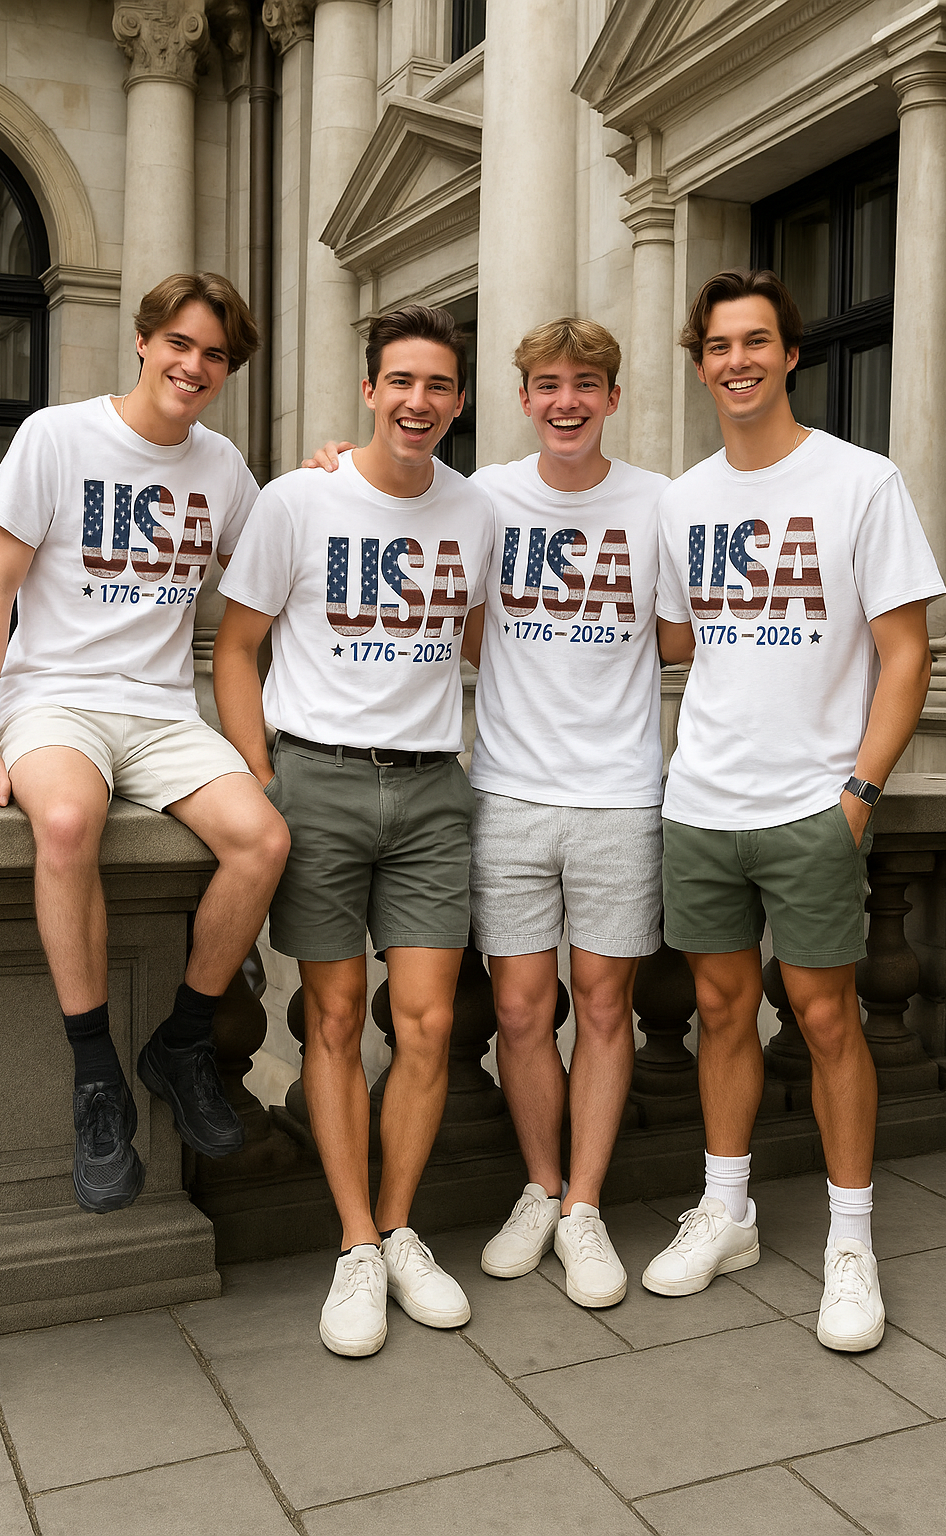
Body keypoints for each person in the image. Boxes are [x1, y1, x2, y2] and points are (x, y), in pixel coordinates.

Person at [305, 317, 670, 1309]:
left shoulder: (658, 505)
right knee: (517, 1009)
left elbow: (687, 635)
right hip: (504, 786)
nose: (565, 401)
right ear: (515, 399)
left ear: (611, 396)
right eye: (547, 383)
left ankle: (584, 1207)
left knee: (602, 1005)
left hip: (620, 791)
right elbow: (427, 580)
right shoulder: (483, 501)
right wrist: (334, 466)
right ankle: (539, 1189)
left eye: (584, 384)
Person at [643, 268, 945, 1352]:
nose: (736, 362)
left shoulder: (858, 482)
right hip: (703, 800)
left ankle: (850, 1241)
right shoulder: (680, 501)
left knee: (825, 1022)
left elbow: (906, 653)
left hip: (813, 805)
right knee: (722, 1014)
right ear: (700, 363)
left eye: (755, 341)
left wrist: (856, 796)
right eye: (718, 345)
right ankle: (726, 1210)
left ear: (789, 353)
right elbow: (680, 643)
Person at [0, 271, 291, 1217]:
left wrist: (337, 475)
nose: (194, 366)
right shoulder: (56, 437)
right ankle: (97, 1073)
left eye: (215, 355)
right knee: (65, 822)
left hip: (162, 709)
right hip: (54, 698)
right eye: (179, 344)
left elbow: (278, 560)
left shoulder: (222, 468)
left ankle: (180, 1042)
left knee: (262, 840)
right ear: (144, 342)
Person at [213, 304, 495, 1358]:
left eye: (439, 386)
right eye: (401, 383)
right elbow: (236, 648)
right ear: (369, 391)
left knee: (422, 1025)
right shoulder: (298, 502)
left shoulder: (476, 514)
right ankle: (354, 1247)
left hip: (429, 794)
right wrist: (262, 775)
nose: (419, 402)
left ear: (457, 402)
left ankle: (401, 1224)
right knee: (330, 1022)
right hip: (317, 783)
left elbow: (473, 638)